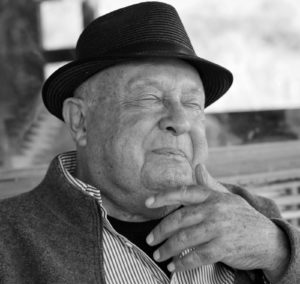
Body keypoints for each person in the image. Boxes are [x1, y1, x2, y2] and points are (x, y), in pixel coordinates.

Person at [0, 2, 299, 284]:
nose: (180, 121)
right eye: (149, 98)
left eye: (192, 103)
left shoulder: (255, 216)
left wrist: (280, 253)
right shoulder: (9, 241)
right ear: (80, 120)